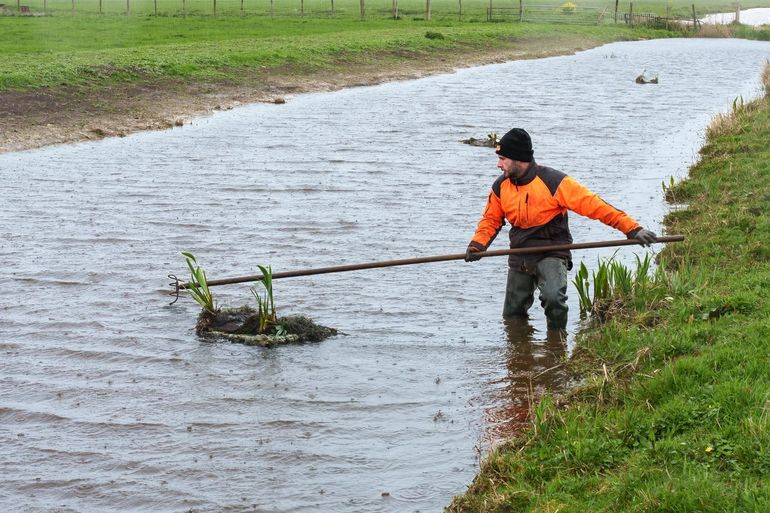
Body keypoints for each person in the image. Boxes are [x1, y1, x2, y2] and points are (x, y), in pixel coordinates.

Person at [464, 128, 657, 330]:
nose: (498, 164)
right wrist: (477, 246)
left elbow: (597, 206)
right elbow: (490, 220)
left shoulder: (554, 181)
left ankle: (557, 344)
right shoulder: (500, 186)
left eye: (502, 158)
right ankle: (518, 354)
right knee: (512, 313)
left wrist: (633, 229)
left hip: (552, 250)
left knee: (553, 299)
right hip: (520, 251)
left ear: (518, 158)